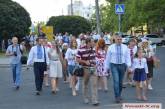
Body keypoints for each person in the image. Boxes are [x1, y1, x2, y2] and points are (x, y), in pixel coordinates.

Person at [105, 33, 131, 103]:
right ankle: (117, 96)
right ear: (115, 40)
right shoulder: (111, 47)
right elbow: (107, 58)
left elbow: (127, 57)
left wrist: (128, 66)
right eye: (118, 39)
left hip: (122, 65)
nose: (119, 40)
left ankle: (119, 94)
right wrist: (106, 68)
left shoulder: (125, 47)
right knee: (116, 81)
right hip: (114, 65)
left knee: (120, 82)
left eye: (120, 39)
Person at [76, 38, 99, 106]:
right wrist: (85, 61)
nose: (94, 43)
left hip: (94, 68)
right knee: (85, 84)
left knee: (94, 84)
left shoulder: (94, 48)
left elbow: (95, 57)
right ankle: (85, 97)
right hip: (85, 68)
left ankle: (95, 100)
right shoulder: (81, 49)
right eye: (92, 42)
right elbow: (77, 59)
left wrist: (96, 63)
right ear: (88, 42)